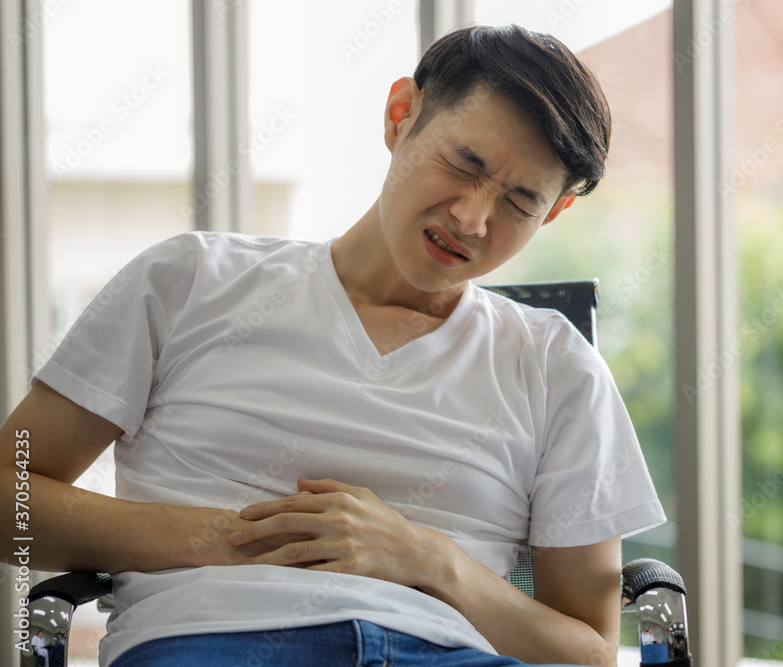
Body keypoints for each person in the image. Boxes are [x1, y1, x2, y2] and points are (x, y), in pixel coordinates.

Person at [1, 24, 665, 667]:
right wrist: (228, 538)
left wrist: (430, 559)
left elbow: (587, 650)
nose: (472, 218)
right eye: (465, 162)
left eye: (519, 201)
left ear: (553, 212)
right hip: (215, 640)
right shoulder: (187, 283)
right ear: (401, 114)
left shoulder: (557, 366)